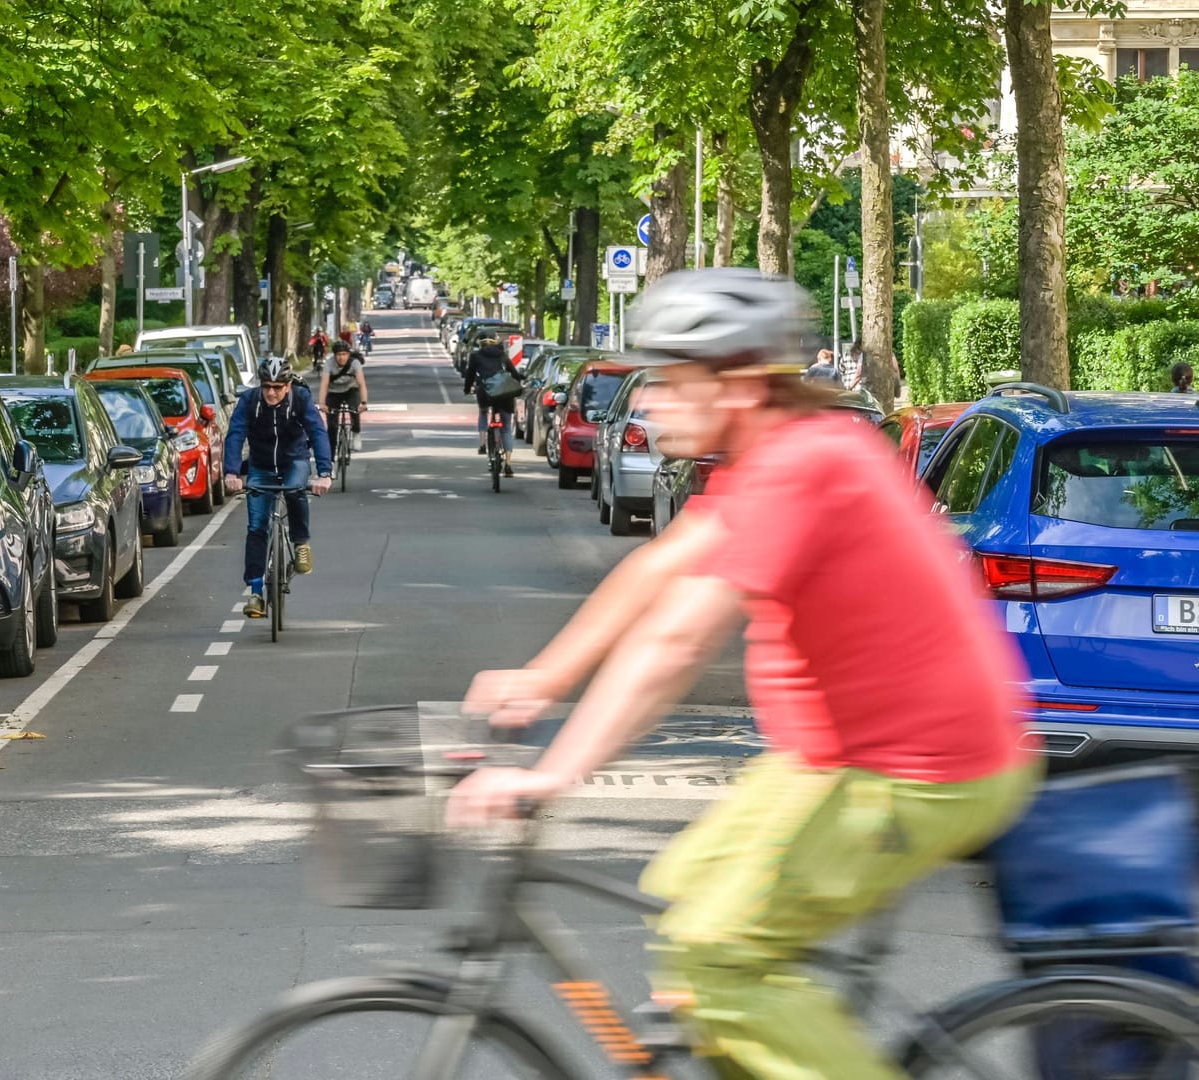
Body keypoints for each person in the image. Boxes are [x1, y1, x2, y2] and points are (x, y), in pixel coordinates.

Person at [446, 268, 1036, 1080]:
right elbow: (659, 570)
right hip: (831, 759)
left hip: (919, 769)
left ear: (744, 383)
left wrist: (550, 777)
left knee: (717, 953)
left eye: (676, 382)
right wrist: (541, 678)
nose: (651, 404)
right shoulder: (767, 461)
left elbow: (677, 642)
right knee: (680, 898)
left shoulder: (807, 465)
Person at [223, 357, 334, 618]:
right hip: (260, 465)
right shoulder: (250, 401)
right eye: (266, 386)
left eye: (277, 387)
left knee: (296, 490)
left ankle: (300, 542)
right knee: (256, 527)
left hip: (293, 460)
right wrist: (231, 472)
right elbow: (235, 434)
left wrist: (325, 473)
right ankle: (256, 592)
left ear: (288, 386)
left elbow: (317, 432)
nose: (271, 392)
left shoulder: (301, 399)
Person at [462, 330, 525, 475]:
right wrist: (520, 378)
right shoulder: (502, 355)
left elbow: (470, 375)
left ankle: (483, 443)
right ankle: (508, 463)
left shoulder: (475, 356)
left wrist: (467, 389)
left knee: (484, 412)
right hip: (504, 394)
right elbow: (514, 374)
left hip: (486, 393)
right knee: (507, 428)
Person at [317, 338, 370, 453]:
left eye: (344, 354)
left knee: (354, 411)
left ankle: (356, 433)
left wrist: (364, 403)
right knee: (331, 422)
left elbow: (361, 384)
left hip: (350, 390)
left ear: (348, 354)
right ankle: (331, 449)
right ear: (334, 356)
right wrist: (322, 403)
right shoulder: (329, 364)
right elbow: (324, 384)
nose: (342, 357)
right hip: (334, 392)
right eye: (339, 355)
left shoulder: (354, 363)